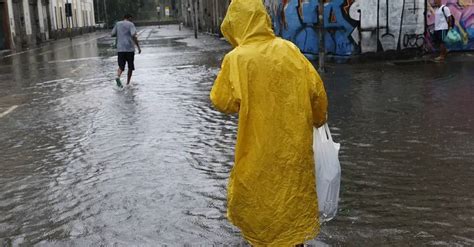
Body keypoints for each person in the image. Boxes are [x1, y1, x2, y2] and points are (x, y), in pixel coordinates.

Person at [210, 0, 328, 246]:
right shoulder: (290, 50)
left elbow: (222, 102)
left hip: (258, 155)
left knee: (260, 210)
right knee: (292, 204)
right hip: (294, 153)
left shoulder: (236, 59)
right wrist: (318, 120)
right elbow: (317, 92)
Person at [111, 14, 141, 88]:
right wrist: (138, 47)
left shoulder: (118, 24)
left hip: (120, 49)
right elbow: (133, 35)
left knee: (121, 65)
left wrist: (120, 34)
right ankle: (127, 83)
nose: (131, 20)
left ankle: (118, 77)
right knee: (130, 67)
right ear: (129, 18)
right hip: (129, 49)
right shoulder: (131, 24)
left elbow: (112, 34)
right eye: (131, 19)